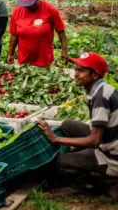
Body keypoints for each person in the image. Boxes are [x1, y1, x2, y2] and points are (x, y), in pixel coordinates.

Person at [38, 52, 118, 199]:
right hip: (110, 141)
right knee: (68, 124)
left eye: (81, 70)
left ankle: (104, 182)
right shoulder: (103, 89)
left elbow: (94, 141)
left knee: (58, 162)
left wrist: (56, 139)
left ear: (94, 75)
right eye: (76, 69)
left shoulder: (100, 97)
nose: (75, 74)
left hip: (111, 157)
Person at [7, 0, 69, 67]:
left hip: (45, 61)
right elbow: (14, 35)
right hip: (24, 62)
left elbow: (61, 31)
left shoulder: (50, 10)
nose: (26, 7)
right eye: (24, 4)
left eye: (29, 4)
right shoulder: (17, 11)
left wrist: (64, 50)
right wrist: (11, 54)